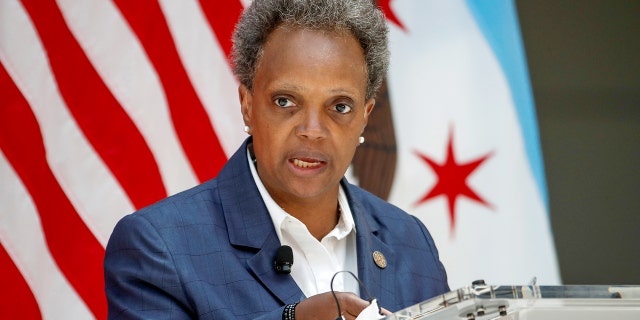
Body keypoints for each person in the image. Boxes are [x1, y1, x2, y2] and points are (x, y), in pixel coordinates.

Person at [104, 0, 449, 319]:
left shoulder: (410, 240)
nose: (312, 130)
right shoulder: (158, 246)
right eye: (286, 101)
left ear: (365, 116)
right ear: (247, 105)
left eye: (339, 107)